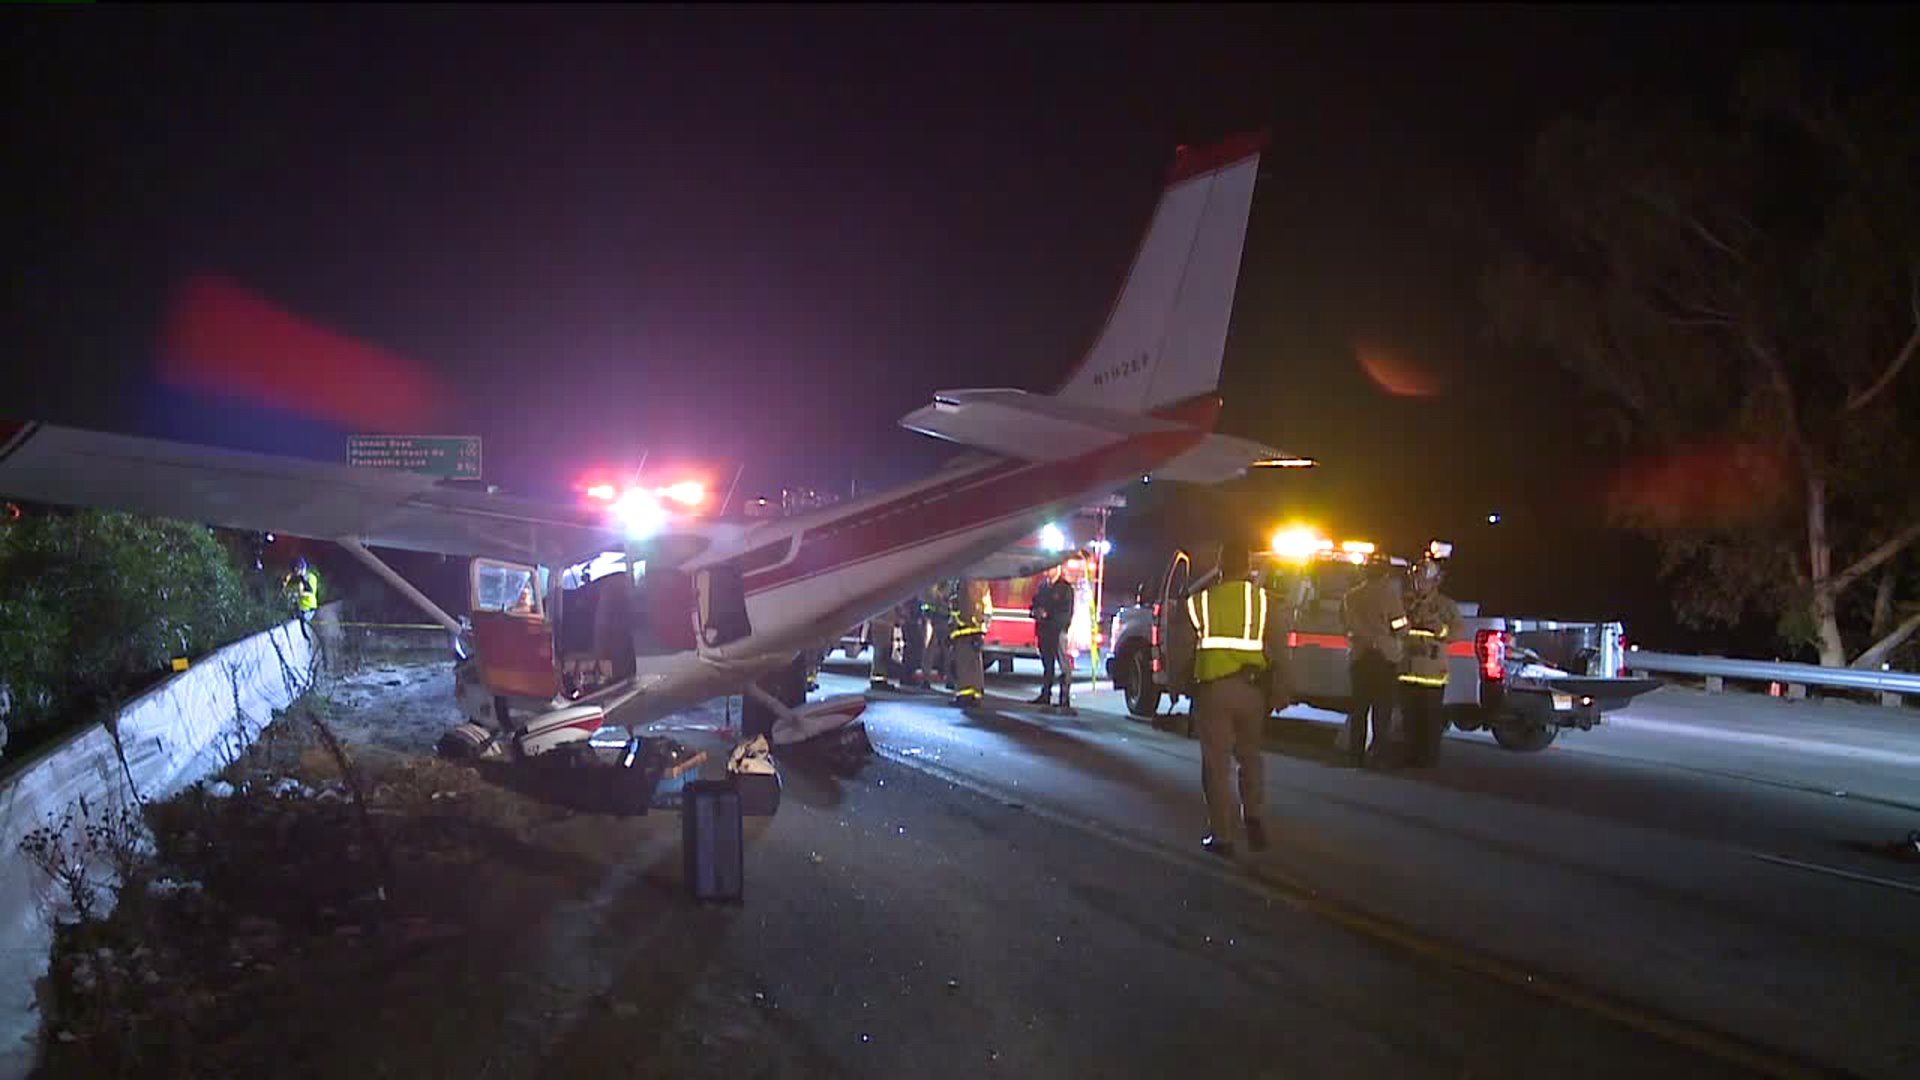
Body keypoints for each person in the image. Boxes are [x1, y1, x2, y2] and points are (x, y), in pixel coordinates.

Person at [1184, 538, 1281, 857]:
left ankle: (1222, 836)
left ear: (1221, 566)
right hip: (1253, 690)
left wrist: (1178, 684)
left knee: (1216, 765)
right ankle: (1253, 815)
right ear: (1250, 566)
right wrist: (1282, 690)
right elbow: (1279, 650)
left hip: (1214, 690)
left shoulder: (1203, 600)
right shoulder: (1264, 602)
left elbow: (1182, 630)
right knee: (1250, 757)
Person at [1341, 553, 1408, 769]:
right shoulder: (1390, 595)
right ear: (1385, 573)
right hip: (1385, 659)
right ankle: (1378, 756)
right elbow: (1400, 627)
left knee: (1359, 709)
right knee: (1382, 711)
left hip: (1359, 658)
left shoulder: (1350, 596)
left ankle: (1355, 755)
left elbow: (1345, 624)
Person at [1399, 551, 1460, 767]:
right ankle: (1409, 756)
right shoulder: (1405, 602)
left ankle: (1429, 759)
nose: (1419, 584)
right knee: (1409, 719)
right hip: (1408, 671)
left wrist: (1439, 628)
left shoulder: (1446, 606)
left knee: (1430, 720)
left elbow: (1455, 633)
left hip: (1433, 675)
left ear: (1435, 581)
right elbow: (1394, 625)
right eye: (1416, 579)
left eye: (1423, 579)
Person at [1027, 562, 1078, 711]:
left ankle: (1064, 699)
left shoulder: (1064, 588)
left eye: (1050, 568)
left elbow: (1066, 612)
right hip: (1044, 631)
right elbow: (1034, 603)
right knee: (1047, 666)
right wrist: (1035, 612)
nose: (1047, 571)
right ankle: (1045, 695)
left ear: (1058, 568)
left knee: (1063, 666)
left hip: (1057, 631)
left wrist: (1048, 615)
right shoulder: (1043, 587)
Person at [948, 576, 991, 708]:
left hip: (964, 631)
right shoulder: (982, 582)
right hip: (976, 630)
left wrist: (956, 622)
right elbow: (985, 607)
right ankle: (976, 694)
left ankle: (965, 695)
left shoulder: (964, 583)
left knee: (964, 664)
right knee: (975, 664)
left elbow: (963, 609)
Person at [867, 604, 898, 692]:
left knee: (883, 650)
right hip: (881, 621)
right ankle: (878, 679)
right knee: (881, 651)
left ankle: (881, 678)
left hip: (885, 621)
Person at [283, 555, 320, 626]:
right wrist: (285, 582)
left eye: (297, 570)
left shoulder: (310, 577)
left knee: (299, 619)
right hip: (301, 608)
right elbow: (290, 577)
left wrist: (298, 594)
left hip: (309, 610)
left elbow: (311, 594)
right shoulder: (300, 578)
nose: (296, 573)